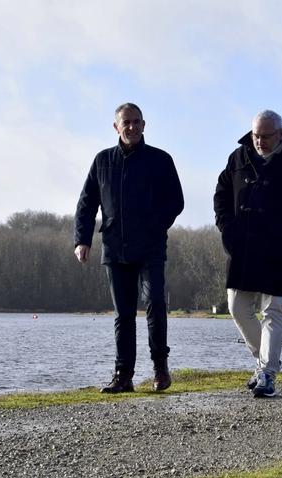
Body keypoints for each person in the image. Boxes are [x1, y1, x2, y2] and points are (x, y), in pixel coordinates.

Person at [214, 110, 282, 398]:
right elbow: (221, 194)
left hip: (279, 247)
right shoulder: (238, 157)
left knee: (273, 311)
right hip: (242, 245)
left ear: (281, 133)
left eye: (265, 136)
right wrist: (227, 227)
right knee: (237, 306)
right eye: (255, 136)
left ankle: (267, 372)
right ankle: (267, 360)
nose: (259, 142)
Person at [74, 103, 184, 394]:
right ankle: (123, 375)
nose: (132, 127)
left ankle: (160, 368)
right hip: (115, 248)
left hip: (150, 248)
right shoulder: (102, 161)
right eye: (127, 122)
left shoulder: (160, 160)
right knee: (123, 314)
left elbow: (176, 201)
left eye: (137, 122)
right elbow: (87, 204)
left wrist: (154, 225)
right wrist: (82, 240)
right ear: (116, 127)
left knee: (156, 303)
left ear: (144, 125)